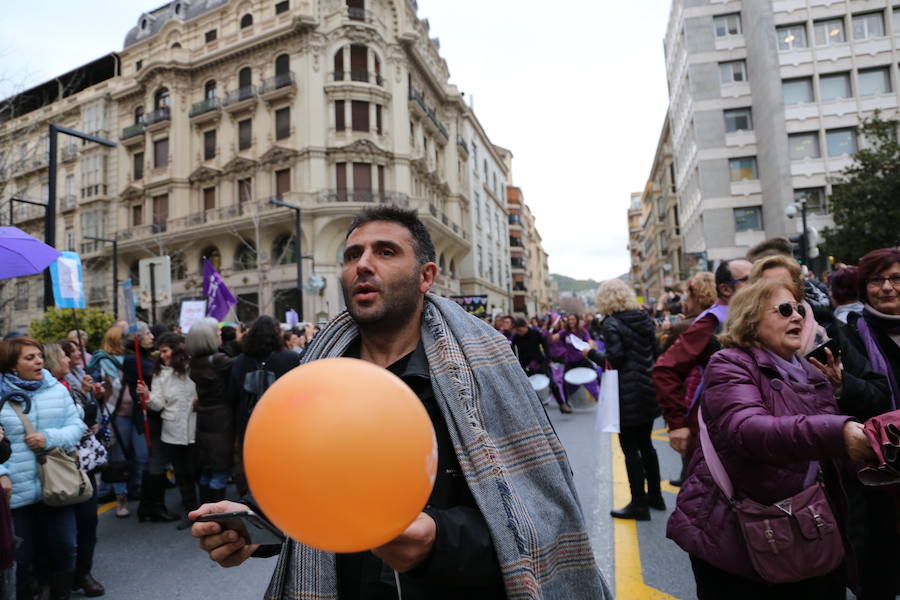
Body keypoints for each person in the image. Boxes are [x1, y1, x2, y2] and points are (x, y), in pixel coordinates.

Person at [191, 205, 611, 599]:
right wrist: (251, 519)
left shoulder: (485, 370)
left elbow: (536, 512)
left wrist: (439, 539)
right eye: (352, 254)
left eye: (385, 251)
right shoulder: (316, 376)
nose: (363, 264)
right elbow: (311, 485)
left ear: (426, 276)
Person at [666, 279, 874, 598]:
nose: (798, 317)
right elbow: (747, 429)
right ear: (750, 318)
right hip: (740, 539)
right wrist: (837, 432)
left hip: (808, 526)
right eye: (785, 309)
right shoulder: (730, 363)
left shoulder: (810, 370)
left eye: (800, 309)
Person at [830, 248, 900, 598]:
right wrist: (844, 383)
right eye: (877, 280)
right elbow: (864, 396)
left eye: (896, 278)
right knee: (881, 568)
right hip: (878, 469)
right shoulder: (852, 334)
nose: (887, 287)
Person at [0, 338, 84, 600]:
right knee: (22, 557)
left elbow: (76, 428)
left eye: (39, 355)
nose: (38, 361)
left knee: (65, 547)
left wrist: (48, 438)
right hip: (17, 491)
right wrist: (2, 472)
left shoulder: (56, 389)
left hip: (57, 484)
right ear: (13, 365)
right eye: (29, 357)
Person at [653, 258, 752, 463]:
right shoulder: (711, 321)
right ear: (725, 289)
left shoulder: (755, 316)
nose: (760, 285)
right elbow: (664, 369)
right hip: (716, 432)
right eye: (750, 279)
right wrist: (677, 425)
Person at [592, 279, 663, 520]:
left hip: (626, 394)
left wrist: (589, 352)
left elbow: (614, 360)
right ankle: (656, 497)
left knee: (630, 449)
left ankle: (639, 505)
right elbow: (656, 353)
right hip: (648, 388)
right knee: (647, 445)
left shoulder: (611, 323)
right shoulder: (645, 319)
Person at [42, 343, 105, 598]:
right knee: (62, 530)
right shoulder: (45, 392)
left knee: (89, 520)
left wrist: (89, 397)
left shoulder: (71, 385)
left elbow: (84, 419)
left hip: (82, 463)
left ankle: (84, 573)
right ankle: (57, 577)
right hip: (58, 465)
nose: (68, 359)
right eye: (63, 356)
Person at [228, 316, 300, 496]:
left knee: (253, 470)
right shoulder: (290, 358)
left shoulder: (239, 361)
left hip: (248, 424)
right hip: (282, 425)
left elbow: (233, 395)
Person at [146, 333, 198, 530]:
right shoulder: (160, 374)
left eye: (166, 351)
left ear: (177, 350)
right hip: (172, 430)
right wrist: (148, 397)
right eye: (160, 352)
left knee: (196, 470)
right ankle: (191, 511)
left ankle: (207, 509)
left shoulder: (193, 367)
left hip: (194, 426)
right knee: (182, 473)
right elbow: (158, 405)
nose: (162, 356)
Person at [125, 324, 176, 523]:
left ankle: (148, 506)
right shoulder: (133, 359)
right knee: (155, 461)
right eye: (146, 333)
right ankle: (154, 506)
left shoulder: (147, 357)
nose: (151, 336)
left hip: (156, 415)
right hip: (149, 416)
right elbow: (150, 376)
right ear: (135, 338)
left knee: (157, 461)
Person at [187, 319, 235, 505]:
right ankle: (216, 513)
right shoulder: (220, 361)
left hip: (204, 417)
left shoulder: (194, 363)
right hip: (221, 419)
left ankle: (206, 509)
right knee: (220, 471)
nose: (220, 335)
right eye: (216, 333)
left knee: (208, 470)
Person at [86, 326, 131, 517]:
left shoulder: (131, 358)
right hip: (114, 414)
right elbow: (95, 391)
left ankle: (131, 489)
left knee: (137, 456)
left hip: (134, 414)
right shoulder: (100, 361)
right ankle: (121, 500)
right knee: (118, 457)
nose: (128, 341)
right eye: (125, 337)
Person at [748, 255, 825, 354]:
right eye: (770, 284)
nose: (779, 288)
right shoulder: (749, 335)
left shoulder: (821, 325)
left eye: (785, 283)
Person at [510, 317, 567, 411]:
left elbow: (545, 346)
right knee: (525, 387)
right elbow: (514, 352)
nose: (520, 332)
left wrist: (547, 359)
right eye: (517, 330)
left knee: (552, 383)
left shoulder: (535, 334)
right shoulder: (516, 338)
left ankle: (562, 404)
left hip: (540, 362)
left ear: (525, 327)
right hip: (525, 365)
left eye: (521, 329)